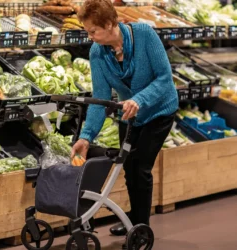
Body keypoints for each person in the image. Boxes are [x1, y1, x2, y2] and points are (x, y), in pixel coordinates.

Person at [71, 0, 179, 236]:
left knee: (141, 168)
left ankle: (141, 228)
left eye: (93, 31)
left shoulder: (144, 35)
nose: (90, 37)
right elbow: (101, 98)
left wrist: (139, 100)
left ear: (109, 24)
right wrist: (86, 137)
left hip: (159, 111)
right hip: (130, 116)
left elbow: (164, 78)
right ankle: (134, 221)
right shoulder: (97, 52)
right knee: (129, 167)